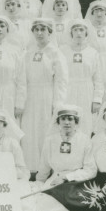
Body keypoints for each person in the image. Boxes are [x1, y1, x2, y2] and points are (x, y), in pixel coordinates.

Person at [33, 105, 98, 211]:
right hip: (55, 179)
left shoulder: (85, 140)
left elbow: (91, 170)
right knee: (45, 204)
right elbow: (44, 166)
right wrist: (39, 183)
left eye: (70, 119)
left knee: (72, 207)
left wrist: (68, 177)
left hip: (77, 181)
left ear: (76, 122)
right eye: (63, 119)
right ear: (58, 122)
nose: (67, 122)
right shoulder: (50, 140)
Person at [21, 18, 68, 173]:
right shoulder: (28, 52)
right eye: (36, 30)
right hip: (30, 97)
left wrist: (57, 104)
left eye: (43, 29)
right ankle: (30, 168)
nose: (40, 33)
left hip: (47, 96)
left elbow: (61, 80)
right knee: (29, 132)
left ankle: (46, 170)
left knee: (44, 131)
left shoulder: (55, 53)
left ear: (49, 32)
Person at [60, 19, 103, 135]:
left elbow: (98, 79)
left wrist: (97, 100)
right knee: (69, 118)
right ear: (71, 33)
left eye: (81, 30)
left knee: (85, 122)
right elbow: (59, 76)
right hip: (68, 90)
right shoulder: (63, 51)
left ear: (86, 33)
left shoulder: (93, 53)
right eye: (75, 30)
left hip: (86, 91)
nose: (78, 33)